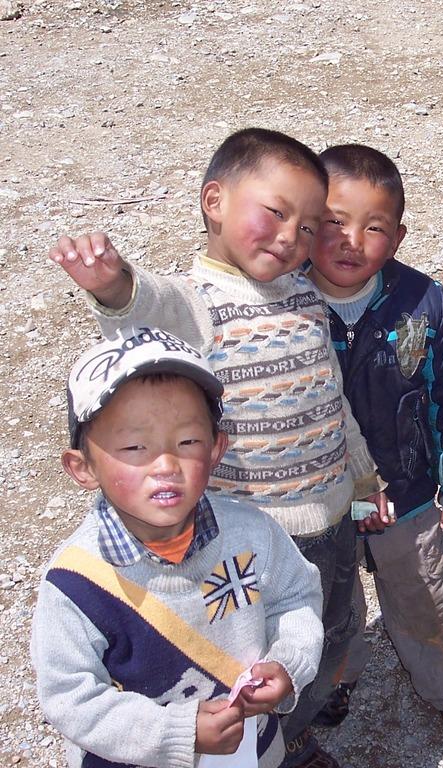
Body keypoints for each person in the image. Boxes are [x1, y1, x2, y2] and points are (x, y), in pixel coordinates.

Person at [46, 128, 380, 768]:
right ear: (214, 201)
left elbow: (330, 398)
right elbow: (144, 305)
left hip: (332, 511)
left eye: (309, 227)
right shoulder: (198, 302)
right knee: (243, 642)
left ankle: (297, 711)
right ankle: (273, 734)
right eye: (276, 213)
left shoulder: (307, 297)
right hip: (257, 528)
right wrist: (112, 284)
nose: (292, 238)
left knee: (326, 621)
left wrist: (363, 475)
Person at [31, 328, 324, 768]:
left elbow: (296, 597)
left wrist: (288, 665)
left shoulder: (252, 533)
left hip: (253, 751)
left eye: (187, 442)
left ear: (216, 448)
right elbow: (71, 696)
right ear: (83, 467)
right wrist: (177, 733)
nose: (166, 465)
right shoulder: (75, 584)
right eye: (133, 447)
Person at [306, 143, 443, 747]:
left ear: (399, 236)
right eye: (333, 222)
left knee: (424, 598)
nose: (350, 240)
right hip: (318, 496)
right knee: (324, 599)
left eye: (374, 227)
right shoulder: (282, 303)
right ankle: (331, 680)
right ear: (307, 221)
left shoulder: (424, 303)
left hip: (408, 492)